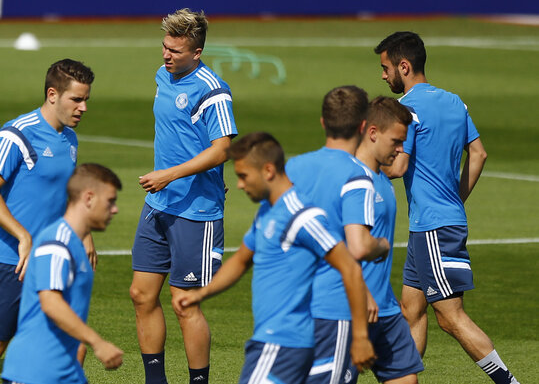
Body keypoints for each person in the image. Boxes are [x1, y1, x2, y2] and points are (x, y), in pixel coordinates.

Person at [174, 132, 375, 384]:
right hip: (274, 341)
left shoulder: (302, 216)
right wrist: (200, 294)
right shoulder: (268, 212)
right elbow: (240, 260)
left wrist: (360, 336)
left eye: (243, 176)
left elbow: (350, 269)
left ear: (268, 170)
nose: (239, 185)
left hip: (283, 343)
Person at [375, 32, 518, 384]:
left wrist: (360, 165)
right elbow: (479, 153)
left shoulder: (408, 110)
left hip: (433, 229)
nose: (383, 76)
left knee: (451, 317)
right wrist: (455, 198)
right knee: (412, 310)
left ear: (403, 67)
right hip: (432, 224)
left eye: (386, 68)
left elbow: (396, 167)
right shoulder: (456, 102)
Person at [0, 59, 94, 383]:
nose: (83, 107)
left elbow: (63, 194)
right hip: (8, 263)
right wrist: (22, 236)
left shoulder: (69, 140)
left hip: (49, 264)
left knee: (70, 349)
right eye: (76, 99)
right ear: (52, 94)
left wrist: (84, 237)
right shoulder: (17, 134)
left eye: (86, 100)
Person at [129, 8, 237, 384]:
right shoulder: (164, 75)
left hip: (196, 211)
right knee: (142, 295)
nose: (166, 55)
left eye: (175, 50)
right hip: (158, 203)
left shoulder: (213, 91)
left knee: (183, 303)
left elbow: (222, 148)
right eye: (164, 47)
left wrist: (170, 175)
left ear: (197, 52)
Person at [285, 86, 390, 384]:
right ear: (362, 126)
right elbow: (357, 246)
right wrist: (380, 245)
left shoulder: (292, 168)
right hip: (332, 306)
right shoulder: (358, 175)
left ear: (322, 122)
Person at [0, 163, 124, 384]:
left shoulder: (74, 244)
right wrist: (98, 342)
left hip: (65, 373)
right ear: (88, 198)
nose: (114, 209)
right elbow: (50, 303)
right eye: (110, 201)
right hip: (34, 373)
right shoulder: (56, 243)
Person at [345, 96, 423, 383]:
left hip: (386, 309)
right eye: (396, 142)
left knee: (406, 379)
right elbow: (333, 245)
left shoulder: (382, 179)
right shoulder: (350, 179)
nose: (402, 150)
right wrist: (363, 292)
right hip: (350, 307)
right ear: (373, 133)